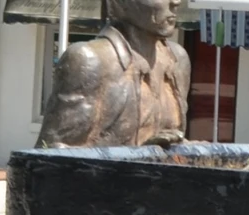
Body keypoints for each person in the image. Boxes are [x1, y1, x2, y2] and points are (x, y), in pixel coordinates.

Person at [35, 0, 191, 147]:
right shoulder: (89, 60)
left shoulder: (177, 59)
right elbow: (50, 154)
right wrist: (139, 155)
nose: (176, 2)